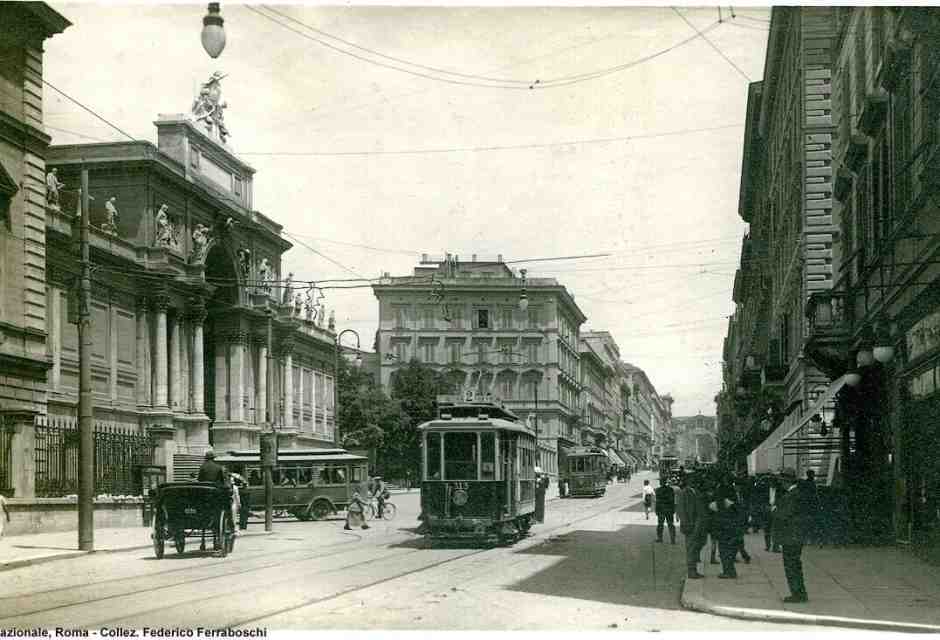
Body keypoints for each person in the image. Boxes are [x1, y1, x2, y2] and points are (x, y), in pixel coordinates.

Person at [774, 467, 808, 603]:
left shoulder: (791, 495)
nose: (781, 483)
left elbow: (784, 515)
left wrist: (774, 510)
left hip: (790, 537)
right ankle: (800, 592)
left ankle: (797, 594)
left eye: (782, 480)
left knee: (791, 566)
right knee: (795, 565)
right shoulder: (796, 493)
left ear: (785, 481)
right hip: (795, 536)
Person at [677, 473, 707, 579]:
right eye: (693, 479)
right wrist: (686, 524)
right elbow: (681, 511)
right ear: (688, 481)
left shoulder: (696, 492)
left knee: (699, 545)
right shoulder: (684, 493)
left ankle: (694, 569)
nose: (696, 481)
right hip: (691, 525)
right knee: (691, 549)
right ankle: (691, 571)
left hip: (699, 524)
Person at [654, 478, 677, 544]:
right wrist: (673, 509)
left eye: (660, 481)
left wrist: (657, 510)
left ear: (661, 482)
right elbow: (672, 500)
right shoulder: (670, 489)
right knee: (671, 525)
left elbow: (657, 501)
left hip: (661, 510)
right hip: (669, 510)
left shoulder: (658, 490)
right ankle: (672, 540)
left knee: (660, 525)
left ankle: (660, 538)